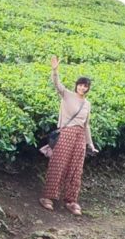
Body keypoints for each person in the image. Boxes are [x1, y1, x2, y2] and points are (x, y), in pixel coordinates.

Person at [38, 55, 97, 216]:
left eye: (86, 86)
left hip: (80, 137)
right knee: (58, 164)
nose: (83, 88)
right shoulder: (67, 95)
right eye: (81, 85)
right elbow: (57, 84)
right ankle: (48, 197)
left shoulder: (87, 104)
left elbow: (86, 125)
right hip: (66, 134)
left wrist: (90, 144)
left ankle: (70, 200)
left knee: (75, 168)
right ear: (77, 85)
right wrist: (55, 70)